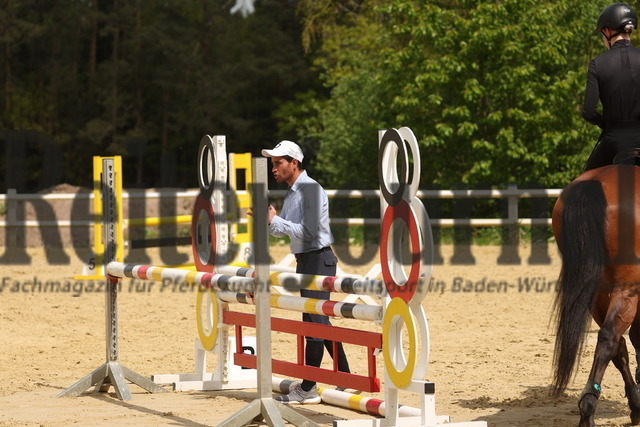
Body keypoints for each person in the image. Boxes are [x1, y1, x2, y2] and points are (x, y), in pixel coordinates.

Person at [259, 140, 351, 404]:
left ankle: (309, 387)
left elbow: (308, 232)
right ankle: (344, 375)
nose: (273, 169)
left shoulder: (309, 190)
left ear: (294, 163)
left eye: (278, 163)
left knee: (314, 325)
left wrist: (277, 221)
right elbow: (285, 229)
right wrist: (268, 221)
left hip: (317, 260)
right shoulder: (294, 191)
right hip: (307, 260)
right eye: (273, 164)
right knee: (318, 321)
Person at [583, 3, 640, 171]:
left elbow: (588, 112)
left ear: (608, 31)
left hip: (613, 140)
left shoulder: (597, 63)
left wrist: (607, 124)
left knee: (578, 188)